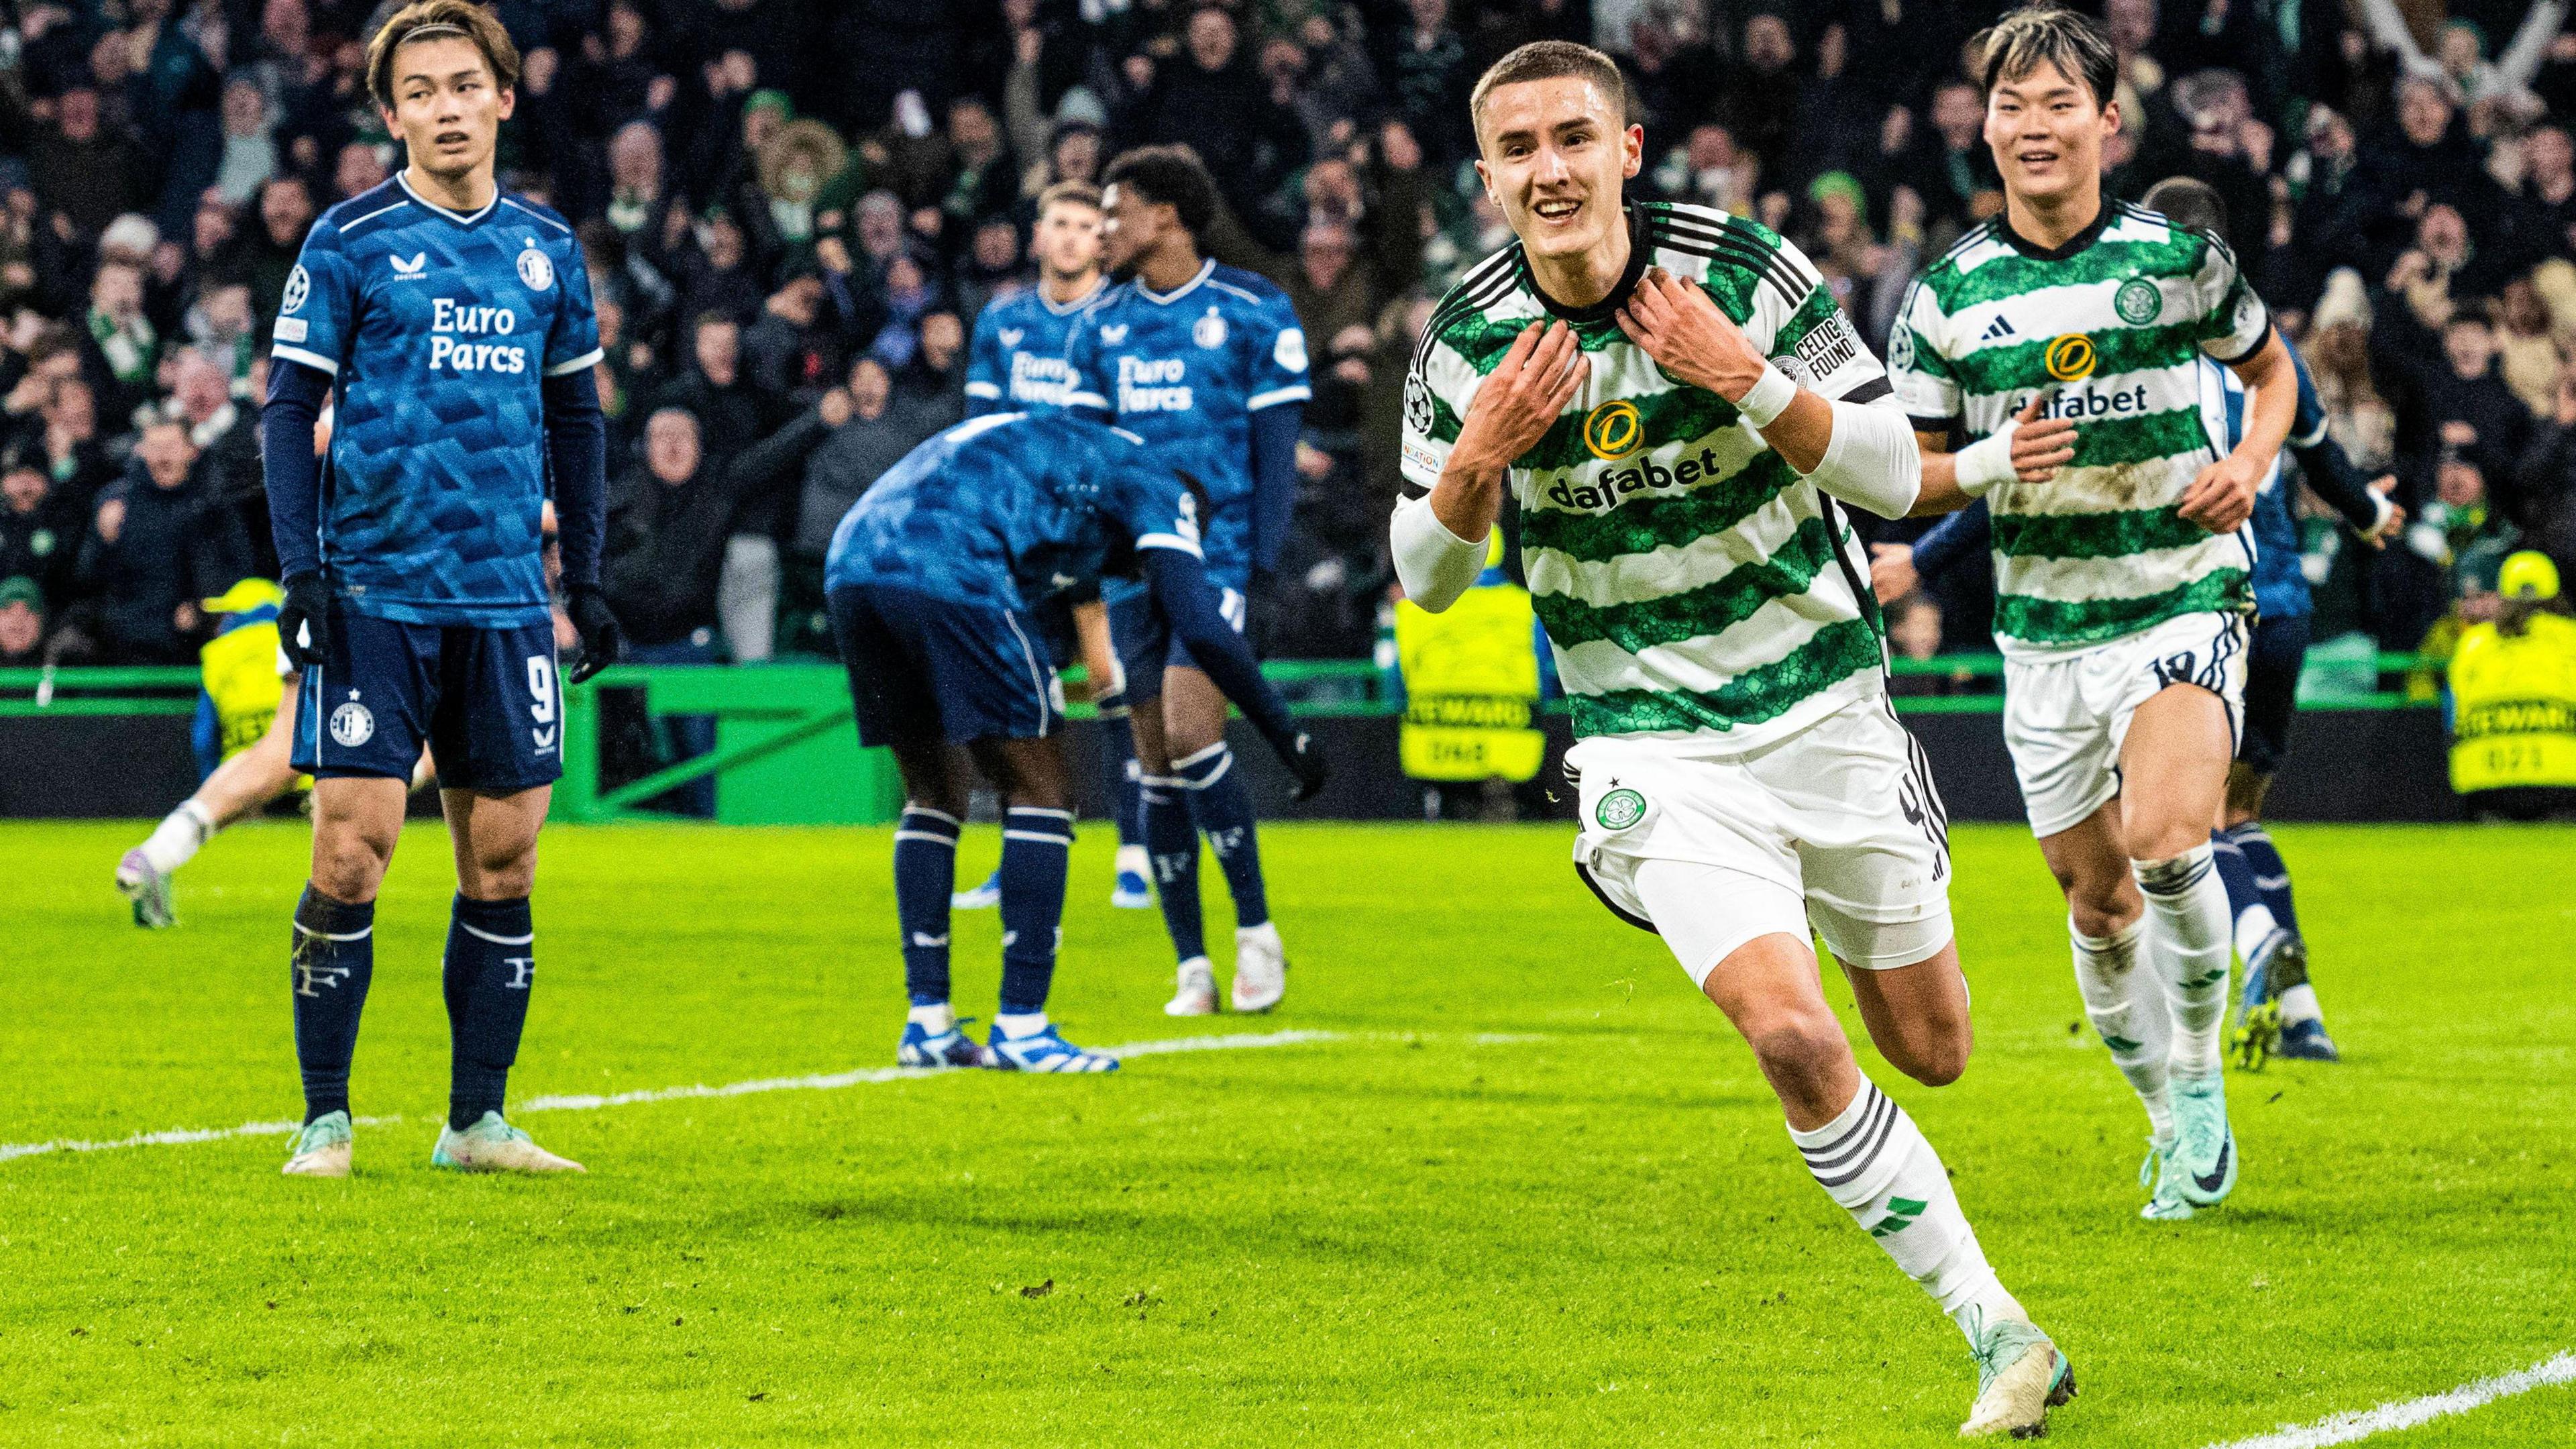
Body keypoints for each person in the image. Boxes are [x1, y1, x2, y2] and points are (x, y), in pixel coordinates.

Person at [1391, 40, 2074, 1438]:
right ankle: (2000, 1330)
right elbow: (1427, 576)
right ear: (1486, 178)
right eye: (1517, 150)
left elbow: (1889, 474)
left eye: (1573, 138)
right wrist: (1480, 457)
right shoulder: (1464, 344)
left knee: (1932, 1049)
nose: (1549, 170)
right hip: (1651, 744)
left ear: (1628, 151)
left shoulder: (1746, 272)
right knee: (1790, 1036)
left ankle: (1812, 901)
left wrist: (1745, 375)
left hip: (1824, 704)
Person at [1884, 7, 2302, 1223]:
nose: (2033, 127)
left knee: (2172, 844)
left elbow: (2272, 372)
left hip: (2182, 591)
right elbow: (1912, 476)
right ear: (1988, 129)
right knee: (2097, 902)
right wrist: (1987, 463)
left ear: (2107, 123)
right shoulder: (1945, 297)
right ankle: (2165, 1106)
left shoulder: (2175, 260)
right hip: (2045, 633)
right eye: (2012, 106)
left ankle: (2204, 1082)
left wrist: (2256, 466)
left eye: (2058, 103)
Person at [258, 1, 622, 1179]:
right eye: (420, 92)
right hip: (377, 592)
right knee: (351, 852)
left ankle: (476, 1122)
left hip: (508, 601)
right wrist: (303, 568)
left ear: (504, 98)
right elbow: (285, 411)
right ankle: (325, 1116)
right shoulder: (350, 240)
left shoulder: (548, 250)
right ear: (391, 114)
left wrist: (593, 577)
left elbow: (578, 419)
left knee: (505, 862)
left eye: (465, 86)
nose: (446, 108)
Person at [825, 412, 1324, 1073]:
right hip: (951, 558)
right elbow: (1201, 628)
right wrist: (1288, 737)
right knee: (1043, 791)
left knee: (933, 792)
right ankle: (1022, 1026)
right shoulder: (1161, 484)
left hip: (852, 558)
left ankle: (928, 1024)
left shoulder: (1073, 466)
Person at [1063, 146, 1311, 1016]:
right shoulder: (1096, 328)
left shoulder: (1253, 312)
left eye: (1115, 210)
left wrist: (1266, 569)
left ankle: (1255, 933)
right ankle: (1193, 967)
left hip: (1221, 559)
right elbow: (1088, 465)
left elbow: (1277, 460)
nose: (1103, 228)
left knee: (1193, 731)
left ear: (1165, 215)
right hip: (1132, 568)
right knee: (1156, 764)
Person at [951, 180, 1155, 913]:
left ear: (1101, 241)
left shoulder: (1123, 319)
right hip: (1023, 537)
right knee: (1019, 694)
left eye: (1083, 225)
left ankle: (1137, 853)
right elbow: (979, 434)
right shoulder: (1002, 322)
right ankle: (1019, 859)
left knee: (1116, 686)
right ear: (1037, 237)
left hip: (1101, 532)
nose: (1070, 237)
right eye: (1058, 223)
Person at [114, 578, 436, 927]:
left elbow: (206, 736)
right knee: (450, 731)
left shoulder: (223, 650)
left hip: (318, 594)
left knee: (281, 751)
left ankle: (159, 852)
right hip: (412, 594)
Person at [2446, 551, 2576, 820]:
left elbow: (2455, 713)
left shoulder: (2472, 645)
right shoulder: (2571, 638)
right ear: (2556, 595)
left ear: (2502, 596)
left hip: (2485, 784)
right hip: (2562, 780)